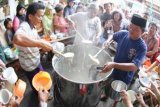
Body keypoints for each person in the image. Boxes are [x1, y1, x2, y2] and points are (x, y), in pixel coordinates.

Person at [101, 14, 147, 100]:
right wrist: (108, 41)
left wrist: (114, 64)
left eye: (136, 29)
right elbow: (113, 36)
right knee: (108, 85)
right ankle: (106, 95)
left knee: (118, 94)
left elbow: (133, 67)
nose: (131, 30)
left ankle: (114, 103)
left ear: (142, 32)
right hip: (113, 69)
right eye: (131, 26)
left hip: (124, 76)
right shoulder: (123, 34)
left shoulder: (142, 47)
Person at [13, 2, 53, 90]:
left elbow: (34, 41)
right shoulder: (24, 26)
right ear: (30, 16)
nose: (41, 18)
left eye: (42, 16)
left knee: (42, 79)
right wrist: (40, 43)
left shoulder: (33, 27)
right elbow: (17, 38)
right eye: (39, 16)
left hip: (36, 61)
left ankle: (43, 91)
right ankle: (39, 95)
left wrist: (42, 43)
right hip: (29, 66)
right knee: (36, 84)